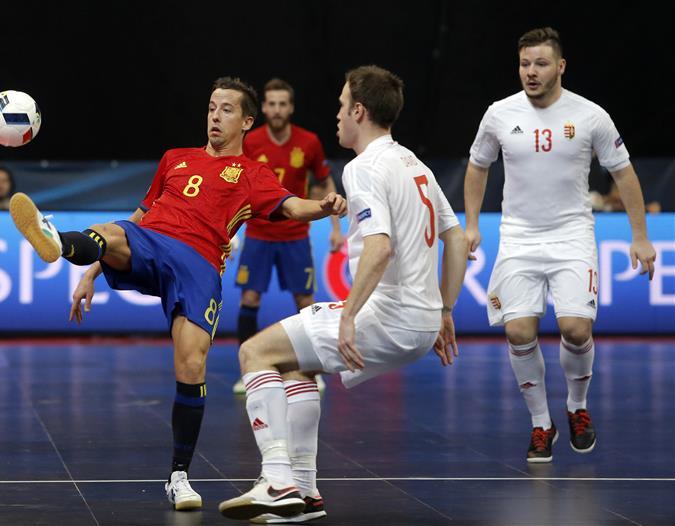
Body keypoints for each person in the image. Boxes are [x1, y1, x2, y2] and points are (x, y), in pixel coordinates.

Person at [8, 77, 347, 511]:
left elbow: (290, 206)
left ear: (246, 121)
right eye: (210, 108)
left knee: (191, 363)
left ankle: (178, 476)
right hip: (151, 242)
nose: (215, 117)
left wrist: (322, 207)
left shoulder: (252, 173)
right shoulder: (174, 159)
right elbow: (139, 217)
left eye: (226, 110)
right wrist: (93, 270)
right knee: (113, 231)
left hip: (200, 265)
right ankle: (57, 240)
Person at [218, 65, 468, 523]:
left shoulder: (363, 167)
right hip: (421, 319)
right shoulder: (416, 164)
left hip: (385, 317)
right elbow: (455, 239)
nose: (335, 114)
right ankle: (306, 493)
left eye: (340, 104)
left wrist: (350, 315)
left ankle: (276, 480)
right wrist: (445, 309)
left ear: (359, 110)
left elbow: (379, 246)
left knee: (255, 353)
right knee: (296, 363)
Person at [464, 27, 657, 463]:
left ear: (561, 66)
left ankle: (577, 407)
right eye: (524, 64)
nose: (530, 72)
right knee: (518, 330)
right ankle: (540, 423)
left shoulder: (590, 116)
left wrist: (640, 236)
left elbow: (623, 173)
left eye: (540, 64)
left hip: (572, 236)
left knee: (575, 328)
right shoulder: (499, 113)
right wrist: (472, 223)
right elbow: (478, 166)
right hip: (519, 236)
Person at [232, 78, 343, 396]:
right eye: (272, 104)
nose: (277, 109)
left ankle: (310, 370)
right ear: (263, 107)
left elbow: (324, 184)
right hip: (259, 234)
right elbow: (236, 188)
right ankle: (248, 372)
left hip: (295, 236)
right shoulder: (250, 142)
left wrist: (336, 229)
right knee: (250, 299)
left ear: (290, 107)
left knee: (305, 302)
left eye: (283, 104)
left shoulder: (308, 142)